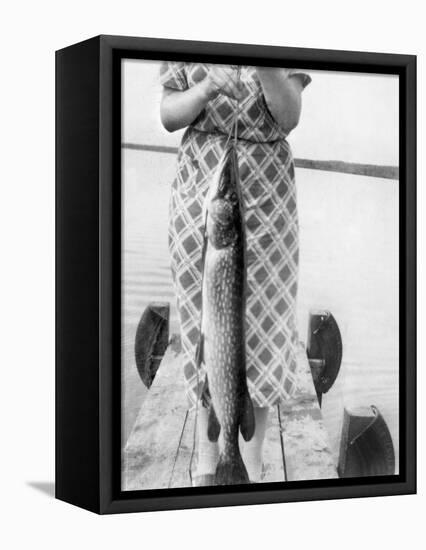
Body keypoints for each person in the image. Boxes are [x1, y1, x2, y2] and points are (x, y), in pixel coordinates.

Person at [159, 62, 311, 485]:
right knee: (203, 328)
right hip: (202, 197)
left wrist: (265, 65)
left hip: (267, 198)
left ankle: (252, 466)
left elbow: (289, 115)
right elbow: (169, 114)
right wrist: (205, 89)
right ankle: (207, 465)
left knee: (265, 329)